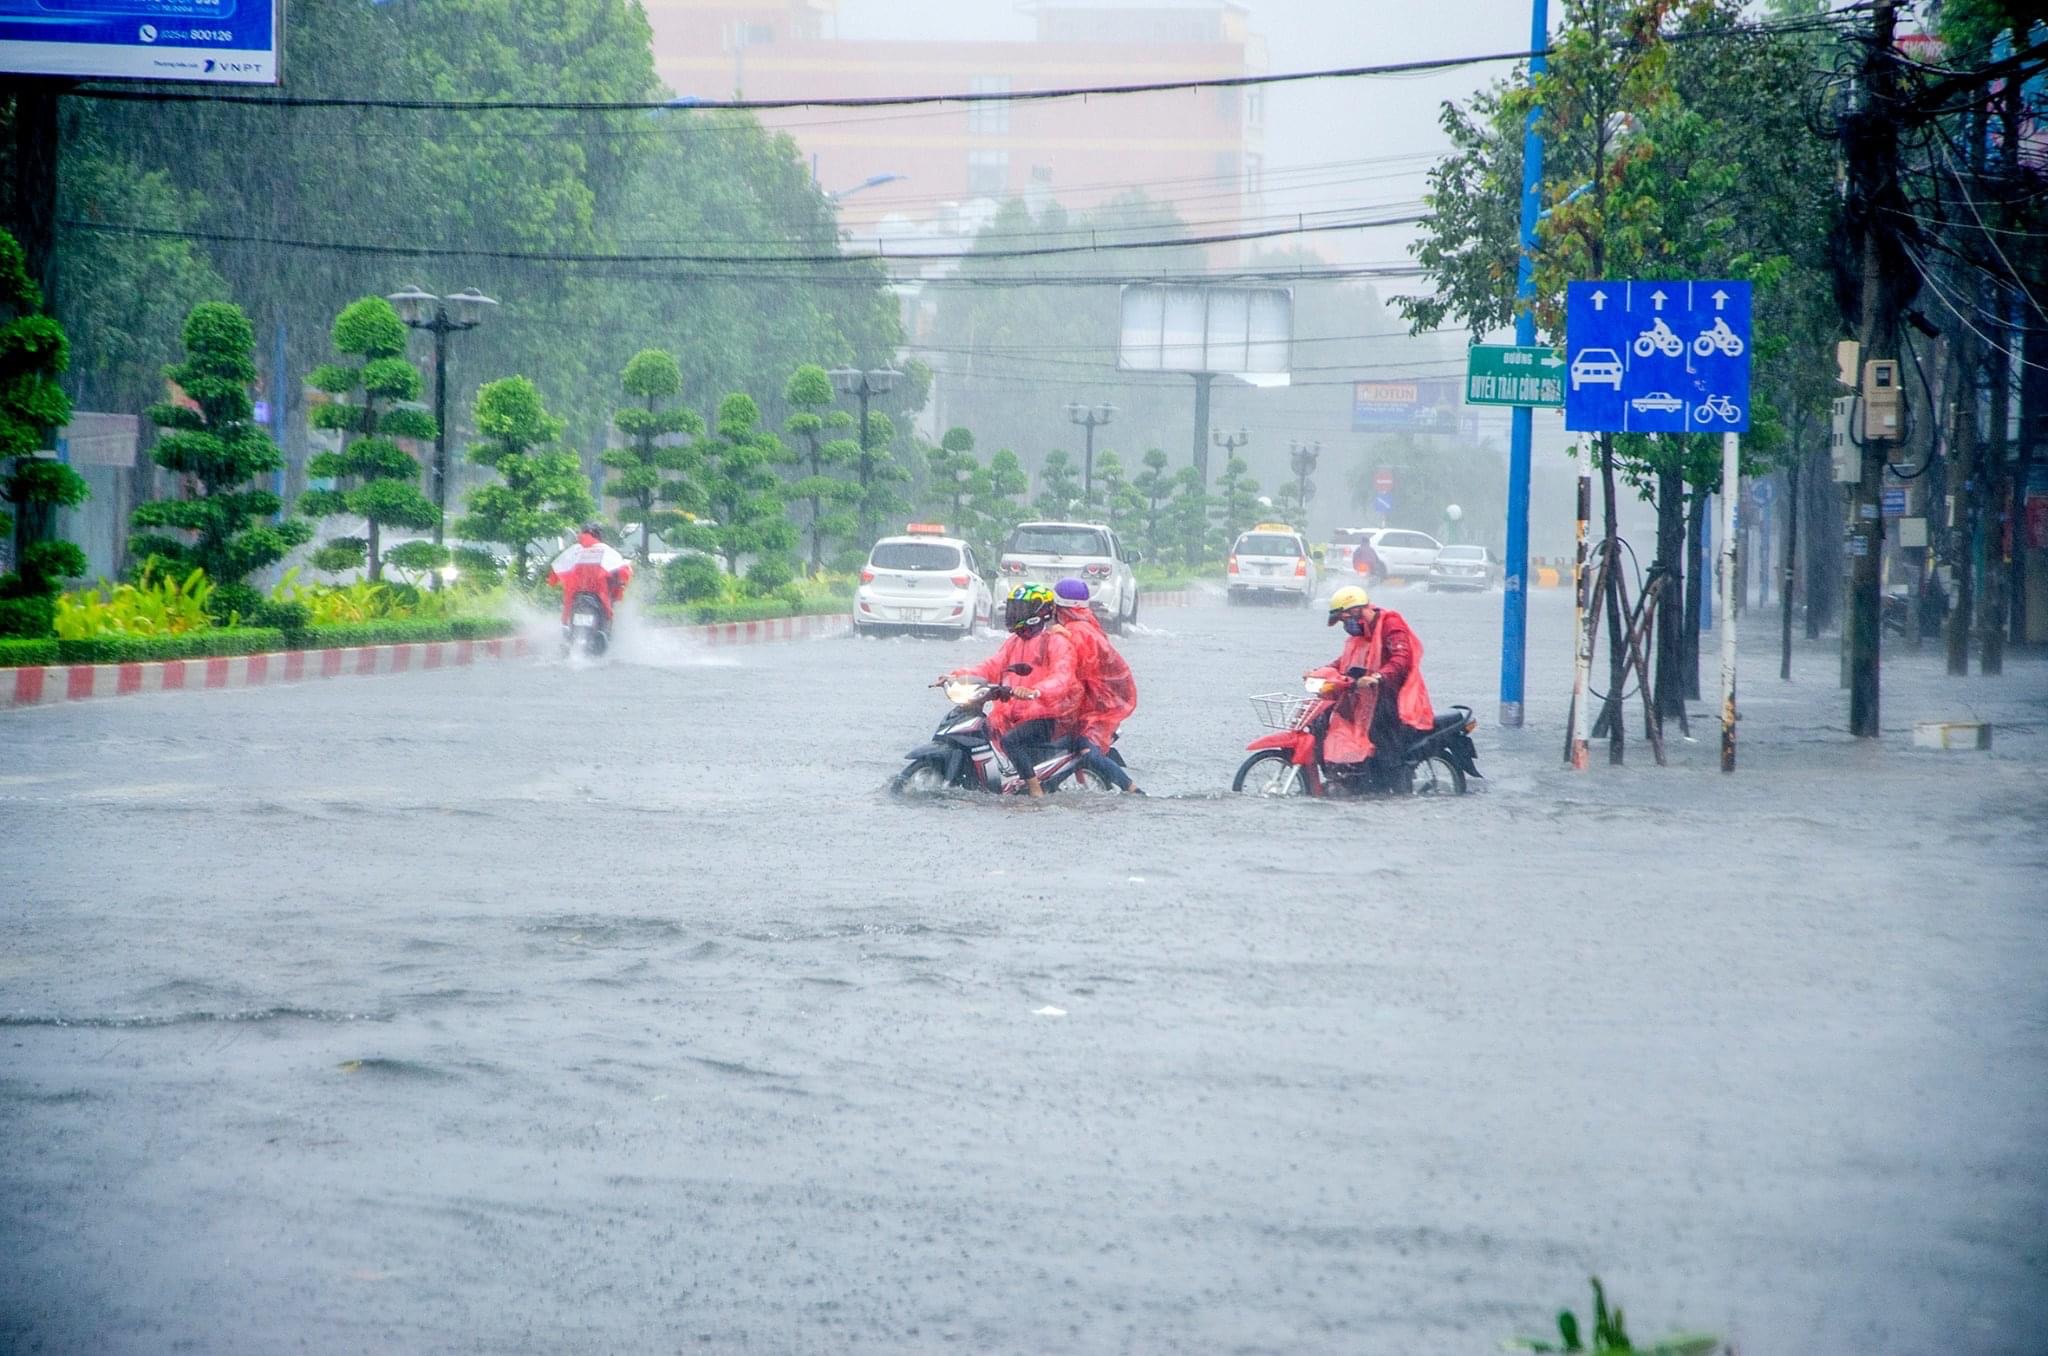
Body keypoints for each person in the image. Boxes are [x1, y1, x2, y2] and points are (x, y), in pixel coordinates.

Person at [948, 584, 1081, 797]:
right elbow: (991, 666)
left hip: (1049, 714)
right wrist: (958, 676)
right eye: (1013, 608)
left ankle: (1035, 790)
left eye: (1020, 609)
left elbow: (1062, 676)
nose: (1013, 614)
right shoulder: (1014, 642)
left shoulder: (1056, 641)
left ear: (1040, 612)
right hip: (1017, 712)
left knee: (1011, 741)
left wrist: (1037, 691)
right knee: (982, 729)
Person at [1318, 584, 1434, 790]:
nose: (1345, 625)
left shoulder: (1390, 624)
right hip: (1365, 697)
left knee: (1382, 739)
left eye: (1345, 619)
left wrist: (1378, 677)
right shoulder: (1360, 635)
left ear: (1357, 611)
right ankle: (1346, 776)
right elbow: (1346, 661)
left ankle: (1391, 789)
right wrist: (1321, 672)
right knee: (1329, 720)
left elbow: (1402, 657)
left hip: (1391, 695)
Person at [1050, 578, 1143, 794]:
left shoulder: (1078, 633)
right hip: (1090, 701)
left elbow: (1074, 676)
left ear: (1060, 607)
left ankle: (1132, 789)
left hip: (1098, 707)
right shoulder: (1079, 627)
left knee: (1087, 751)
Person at [546, 522, 633, 636]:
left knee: (568, 617)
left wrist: (552, 583)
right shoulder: (605, 550)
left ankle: (569, 632)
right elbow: (624, 571)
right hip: (599, 594)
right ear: (598, 535)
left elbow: (555, 571)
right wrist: (621, 586)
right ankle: (605, 632)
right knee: (608, 616)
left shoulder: (574, 550)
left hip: (575, 596)